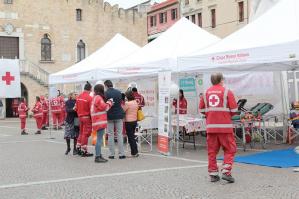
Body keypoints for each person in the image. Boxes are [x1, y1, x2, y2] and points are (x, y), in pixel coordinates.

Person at [199, 73, 238, 183]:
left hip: (211, 127)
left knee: (212, 151)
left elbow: (201, 109)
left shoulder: (205, 93)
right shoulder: (227, 92)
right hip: (225, 127)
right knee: (230, 149)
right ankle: (226, 171)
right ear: (221, 80)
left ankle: (213, 174)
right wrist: (225, 115)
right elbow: (234, 110)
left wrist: (211, 115)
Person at [91, 84, 113, 163]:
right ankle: (97, 156)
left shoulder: (94, 98)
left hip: (96, 121)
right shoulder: (98, 98)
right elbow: (105, 107)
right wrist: (110, 102)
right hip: (99, 121)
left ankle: (99, 154)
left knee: (99, 139)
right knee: (99, 139)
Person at [104, 80, 126, 159]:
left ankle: (111, 154)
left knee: (110, 135)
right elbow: (120, 102)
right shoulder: (118, 92)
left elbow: (105, 105)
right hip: (119, 114)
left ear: (106, 85)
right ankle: (121, 154)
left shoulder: (105, 93)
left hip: (109, 115)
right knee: (119, 134)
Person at [75, 82, 93, 157]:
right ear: (90, 89)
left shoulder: (79, 97)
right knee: (86, 133)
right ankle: (84, 150)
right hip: (86, 117)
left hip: (80, 117)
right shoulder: (89, 98)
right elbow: (91, 110)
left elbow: (75, 108)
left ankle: (78, 147)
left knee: (81, 132)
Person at [122, 90, 139, 157]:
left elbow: (122, 110)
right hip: (134, 121)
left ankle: (134, 152)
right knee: (133, 137)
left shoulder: (127, 103)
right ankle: (135, 152)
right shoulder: (135, 102)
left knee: (131, 137)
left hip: (128, 121)